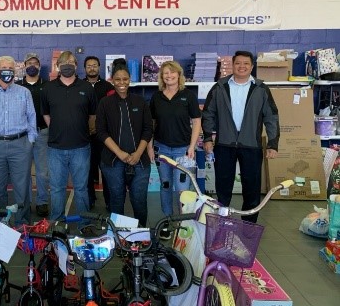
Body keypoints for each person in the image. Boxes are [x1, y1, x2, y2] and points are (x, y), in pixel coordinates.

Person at [202, 50, 279, 223]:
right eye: (238, 63)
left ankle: (248, 229)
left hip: (251, 146)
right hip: (224, 145)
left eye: (246, 63)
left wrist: (273, 144)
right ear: (233, 65)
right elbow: (208, 114)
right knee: (222, 190)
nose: (242, 66)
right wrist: (207, 138)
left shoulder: (261, 89)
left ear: (252, 66)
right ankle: (221, 225)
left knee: (252, 191)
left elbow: (271, 117)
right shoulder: (220, 87)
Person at [0, 55, 37, 225]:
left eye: (11, 68)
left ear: (16, 71)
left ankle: (22, 224)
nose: (7, 72)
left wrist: (30, 140)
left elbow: (32, 118)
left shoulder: (25, 93)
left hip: (20, 145)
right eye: (4, 68)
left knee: (22, 187)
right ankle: (0, 221)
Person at [41, 51, 97, 227]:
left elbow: (92, 115)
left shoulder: (87, 87)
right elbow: (46, 114)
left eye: (70, 62)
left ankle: (85, 224)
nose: (67, 65)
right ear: (58, 66)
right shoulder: (48, 88)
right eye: (63, 62)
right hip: (55, 148)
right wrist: (59, 129)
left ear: (76, 65)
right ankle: (56, 223)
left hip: (81, 147)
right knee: (57, 189)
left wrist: (79, 131)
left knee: (81, 188)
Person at [148, 61, 201, 239]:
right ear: (161, 77)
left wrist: (192, 146)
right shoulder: (156, 97)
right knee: (165, 185)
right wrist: (150, 147)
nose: (169, 76)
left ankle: (183, 224)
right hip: (162, 149)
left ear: (179, 75)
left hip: (183, 151)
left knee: (182, 190)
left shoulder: (188, 96)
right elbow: (151, 125)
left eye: (172, 73)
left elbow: (197, 121)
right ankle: (168, 222)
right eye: (165, 74)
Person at [96, 59, 153, 227]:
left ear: (130, 80)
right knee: (116, 199)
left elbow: (148, 129)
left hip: (140, 161)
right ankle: (118, 236)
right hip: (113, 161)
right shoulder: (105, 103)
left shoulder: (140, 102)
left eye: (125, 79)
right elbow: (101, 131)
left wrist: (138, 153)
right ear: (112, 80)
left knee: (139, 200)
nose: (122, 83)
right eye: (118, 79)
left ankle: (141, 235)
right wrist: (120, 153)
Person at [17, 52, 50, 217]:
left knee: (43, 172)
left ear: (39, 66)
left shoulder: (47, 85)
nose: (32, 66)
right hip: (22, 134)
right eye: (29, 63)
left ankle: (42, 202)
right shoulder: (17, 86)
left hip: (41, 132)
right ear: (24, 66)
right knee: (24, 171)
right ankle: (26, 202)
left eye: (35, 63)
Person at [83, 56, 114, 210]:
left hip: (104, 136)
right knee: (87, 169)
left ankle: (109, 200)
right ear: (84, 69)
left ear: (99, 67)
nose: (92, 68)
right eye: (89, 66)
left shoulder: (108, 86)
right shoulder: (79, 85)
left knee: (106, 169)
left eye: (94, 65)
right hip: (84, 135)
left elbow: (113, 109)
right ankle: (90, 199)